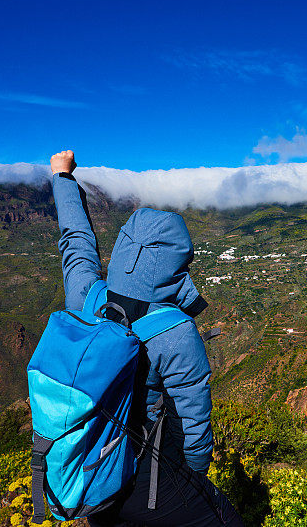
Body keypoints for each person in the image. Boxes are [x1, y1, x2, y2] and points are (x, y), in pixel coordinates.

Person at [50, 150, 243, 527]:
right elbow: (194, 424)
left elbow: (75, 242)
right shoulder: (175, 333)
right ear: (174, 265)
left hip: (91, 471)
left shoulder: (87, 296)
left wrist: (62, 177)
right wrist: (194, 479)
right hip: (146, 480)